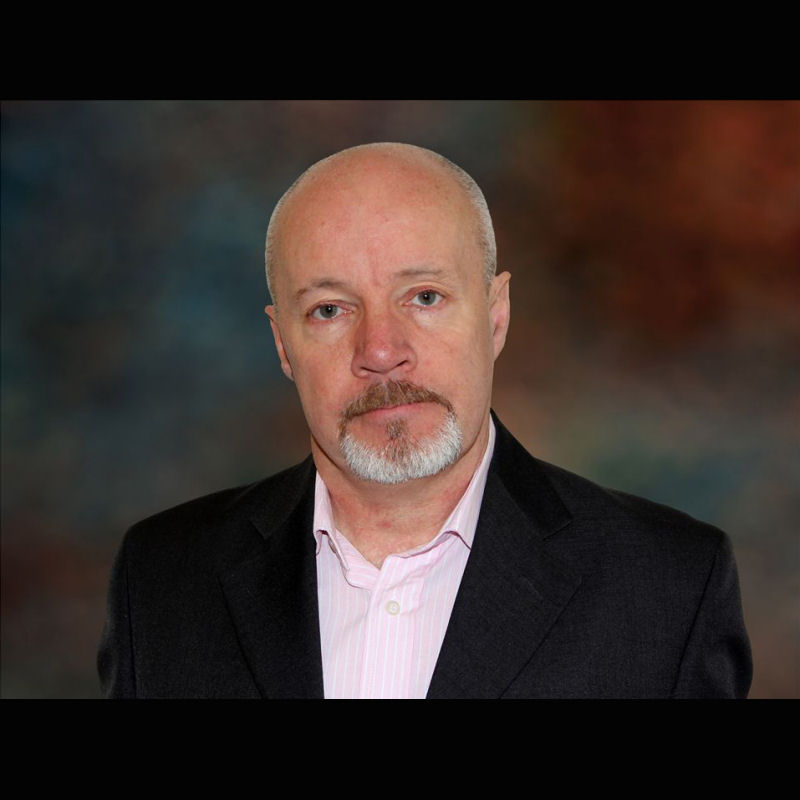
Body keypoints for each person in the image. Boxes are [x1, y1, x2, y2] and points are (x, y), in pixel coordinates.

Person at [98, 142, 752, 698]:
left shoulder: (670, 587)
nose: (381, 351)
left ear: (496, 315)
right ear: (282, 345)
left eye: (425, 296)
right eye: (330, 309)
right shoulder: (161, 580)